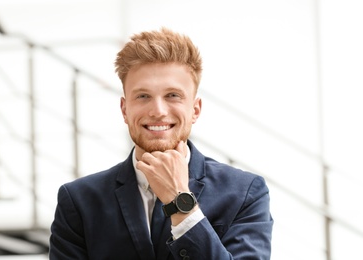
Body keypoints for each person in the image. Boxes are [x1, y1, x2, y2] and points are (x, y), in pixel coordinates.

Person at [49, 27, 273, 260]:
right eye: (143, 96)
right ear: (125, 110)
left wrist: (181, 203)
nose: (158, 111)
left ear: (195, 109)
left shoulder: (245, 193)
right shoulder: (79, 200)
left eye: (173, 95)